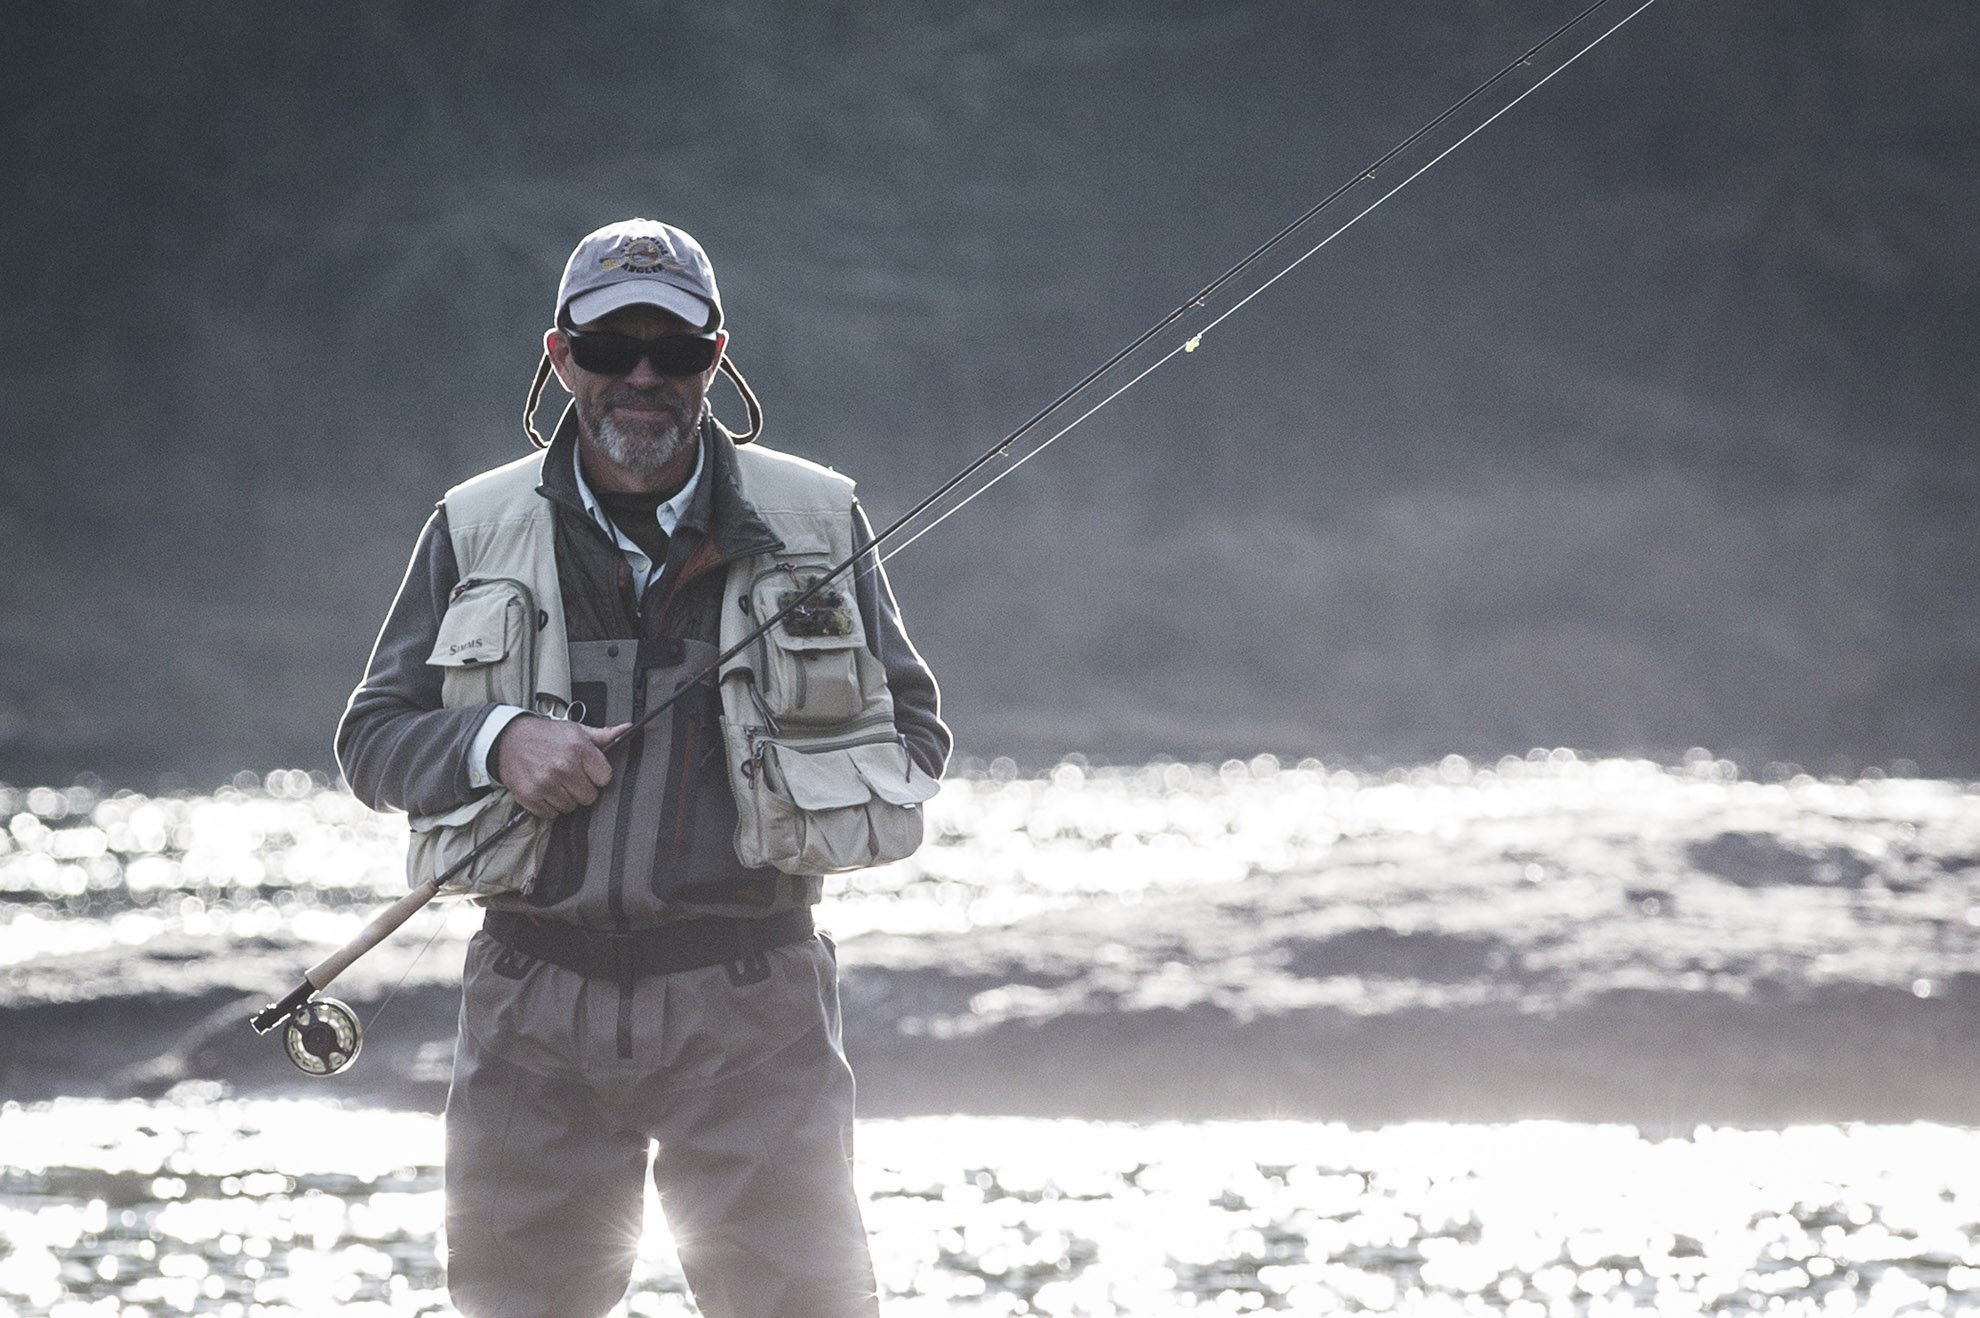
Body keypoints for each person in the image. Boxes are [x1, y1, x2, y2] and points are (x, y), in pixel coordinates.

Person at [336, 218, 950, 1318]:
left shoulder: (820, 517)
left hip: (753, 1002)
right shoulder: (472, 525)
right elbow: (373, 739)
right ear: (561, 357)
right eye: (610, 347)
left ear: (716, 358)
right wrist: (496, 741)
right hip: (530, 1004)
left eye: (674, 350)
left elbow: (916, 736)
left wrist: (786, 759)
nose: (643, 377)